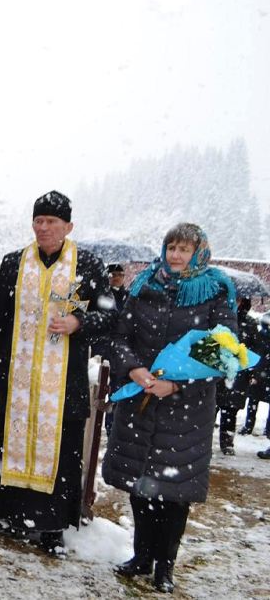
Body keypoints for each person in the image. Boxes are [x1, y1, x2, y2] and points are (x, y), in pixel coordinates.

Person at [0, 191, 116, 557]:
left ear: (68, 226)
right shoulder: (13, 263)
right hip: (17, 375)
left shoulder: (87, 264)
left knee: (60, 452)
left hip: (62, 380)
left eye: (52, 222)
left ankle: (52, 525)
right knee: (11, 443)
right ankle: (10, 515)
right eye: (39, 221)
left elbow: (109, 316)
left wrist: (78, 321)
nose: (44, 228)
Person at [103, 223, 237, 594]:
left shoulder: (215, 291)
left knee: (175, 493)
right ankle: (141, 555)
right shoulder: (145, 284)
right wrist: (134, 368)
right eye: (171, 247)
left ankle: (165, 565)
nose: (176, 255)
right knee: (140, 485)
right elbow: (120, 337)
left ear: (199, 253)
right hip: (141, 400)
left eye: (184, 249)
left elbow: (224, 350)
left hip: (186, 410)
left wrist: (176, 383)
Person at [216, 297, 256, 455]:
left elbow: (256, 348)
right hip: (218, 370)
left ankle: (227, 443)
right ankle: (203, 441)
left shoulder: (249, 323)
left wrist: (253, 372)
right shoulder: (218, 318)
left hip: (239, 374)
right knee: (210, 408)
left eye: (239, 300)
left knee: (230, 411)